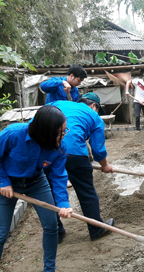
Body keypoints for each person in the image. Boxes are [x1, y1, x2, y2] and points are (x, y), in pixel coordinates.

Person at [0, 106, 73, 272]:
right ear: (44, 132)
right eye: (59, 133)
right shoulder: (13, 133)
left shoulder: (59, 147)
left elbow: (58, 176)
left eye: (64, 131)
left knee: (51, 226)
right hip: (7, 183)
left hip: (36, 182)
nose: (63, 136)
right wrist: (3, 181)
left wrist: (63, 204)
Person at [47, 93, 115, 243]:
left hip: (47, 152)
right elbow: (97, 149)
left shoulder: (58, 103)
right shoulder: (93, 115)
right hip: (76, 154)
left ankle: (55, 233)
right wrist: (105, 165)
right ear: (94, 106)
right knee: (86, 192)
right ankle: (96, 229)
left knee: (48, 192)